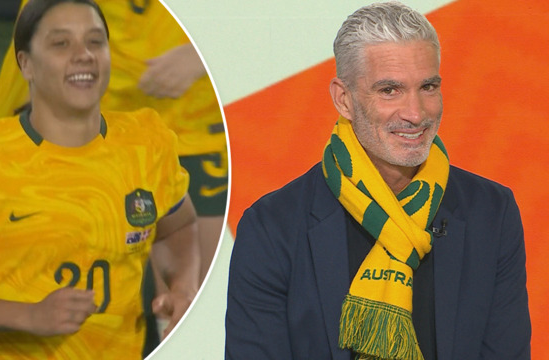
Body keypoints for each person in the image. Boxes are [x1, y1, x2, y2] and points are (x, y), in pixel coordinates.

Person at [225, 2, 531, 360]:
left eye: (428, 87)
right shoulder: (271, 226)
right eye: (390, 90)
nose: (416, 113)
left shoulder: (491, 212)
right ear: (344, 99)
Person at [0, 1, 199, 359]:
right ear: (26, 64)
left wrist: (183, 286)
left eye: (96, 42)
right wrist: (28, 315)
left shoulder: (147, 141)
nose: (84, 55)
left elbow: (177, 227)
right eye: (61, 44)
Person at [0, 0, 228, 287]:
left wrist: (203, 53)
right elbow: (35, 50)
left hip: (200, 135)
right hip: (103, 133)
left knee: (201, 296)